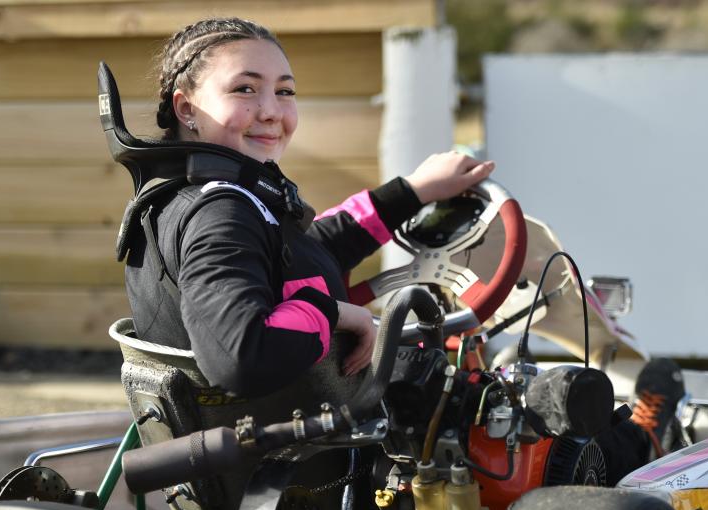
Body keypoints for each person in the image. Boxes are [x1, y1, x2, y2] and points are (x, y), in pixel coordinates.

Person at [125, 17, 495, 399]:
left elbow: (307, 253)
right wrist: (333, 312)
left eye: (285, 92)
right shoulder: (220, 213)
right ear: (187, 109)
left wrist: (413, 191)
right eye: (245, 88)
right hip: (290, 452)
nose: (271, 111)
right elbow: (241, 357)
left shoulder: (187, 197)